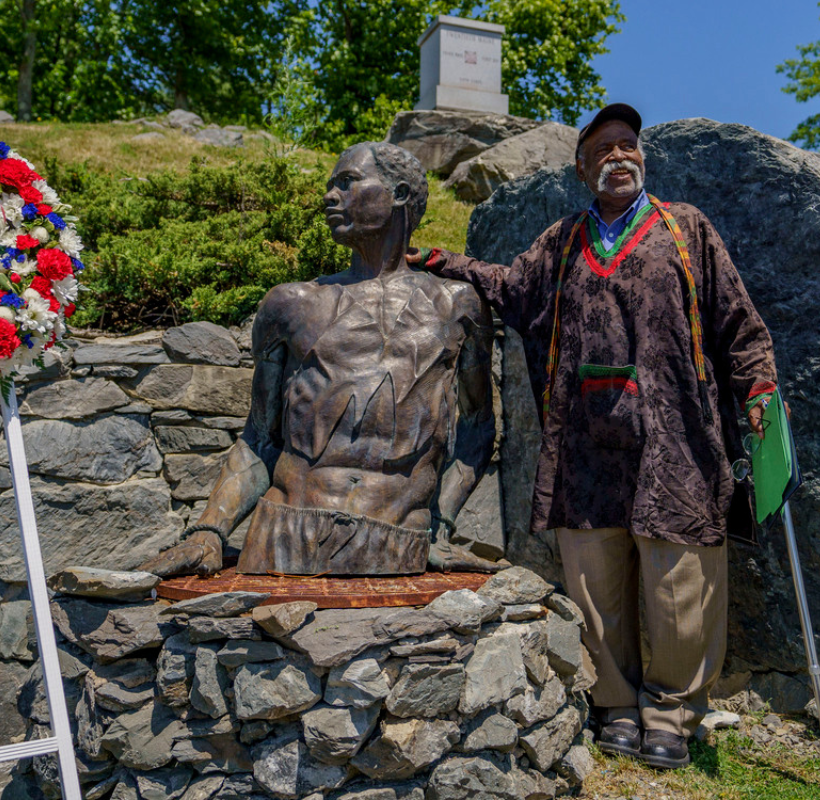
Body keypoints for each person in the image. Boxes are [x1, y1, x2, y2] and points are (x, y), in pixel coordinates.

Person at [408, 103, 779, 769]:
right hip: (585, 442)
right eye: (603, 150)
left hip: (677, 439)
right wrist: (444, 263)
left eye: (628, 146)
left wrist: (757, 386)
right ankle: (614, 703)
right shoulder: (564, 240)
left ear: (644, 157)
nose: (619, 157)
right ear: (583, 170)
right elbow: (511, 287)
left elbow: (737, 321)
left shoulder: (686, 228)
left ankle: (672, 710)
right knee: (596, 578)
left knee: (680, 580)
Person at [141, 141, 499, 578]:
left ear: (399, 194)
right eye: (330, 187)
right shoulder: (291, 304)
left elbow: (478, 427)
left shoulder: (458, 304)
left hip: (401, 543)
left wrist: (439, 527)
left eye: (346, 183)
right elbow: (259, 438)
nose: (330, 196)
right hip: (284, 536)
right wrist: (209, 531)